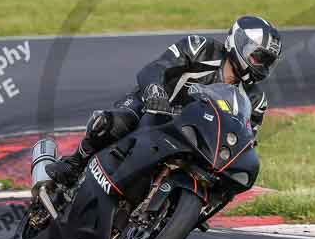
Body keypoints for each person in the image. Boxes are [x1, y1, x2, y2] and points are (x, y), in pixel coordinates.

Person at [45, 15, 283, 186]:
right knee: (115, 122)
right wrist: (155, 91)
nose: (262, 65)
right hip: (156, 107)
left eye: (268, 62)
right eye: (259, 57)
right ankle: (75, 163)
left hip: (196, 139)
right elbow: (155, 68)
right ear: (239, 44)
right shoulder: (200, 48)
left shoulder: (256, 101)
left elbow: (245, 140)